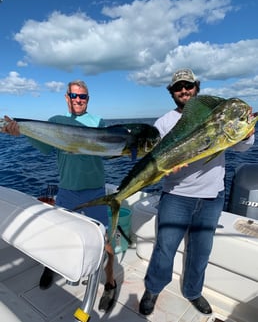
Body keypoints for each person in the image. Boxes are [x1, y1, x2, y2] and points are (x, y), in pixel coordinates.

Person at [139, 68, 255, 316]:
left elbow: (243, 147)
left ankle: (193, 291)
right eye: (178, 87)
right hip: (176, 196)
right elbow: (153, 157)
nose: (184, 90)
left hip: (213, 197)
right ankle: (153, 288)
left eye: (188, 85)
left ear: (196, 87)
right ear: (172, 92)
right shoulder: (164, 122)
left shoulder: (217, 115)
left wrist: (248, 133)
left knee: (201, 250)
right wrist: (163, 169)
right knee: (165, 248)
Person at [3, 80, 117, 313]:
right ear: (67, 97)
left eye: (82, 97)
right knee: (57, 237)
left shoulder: (98, 123)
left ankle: (111, 283)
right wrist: (20, 132)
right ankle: (51, 266)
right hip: (66, 190)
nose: (78, 100)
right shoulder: (56, 121)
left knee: (105, 241)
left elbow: (108, 154)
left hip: (95, 191)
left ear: (88, 99)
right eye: (74, 96)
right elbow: (45, 148)